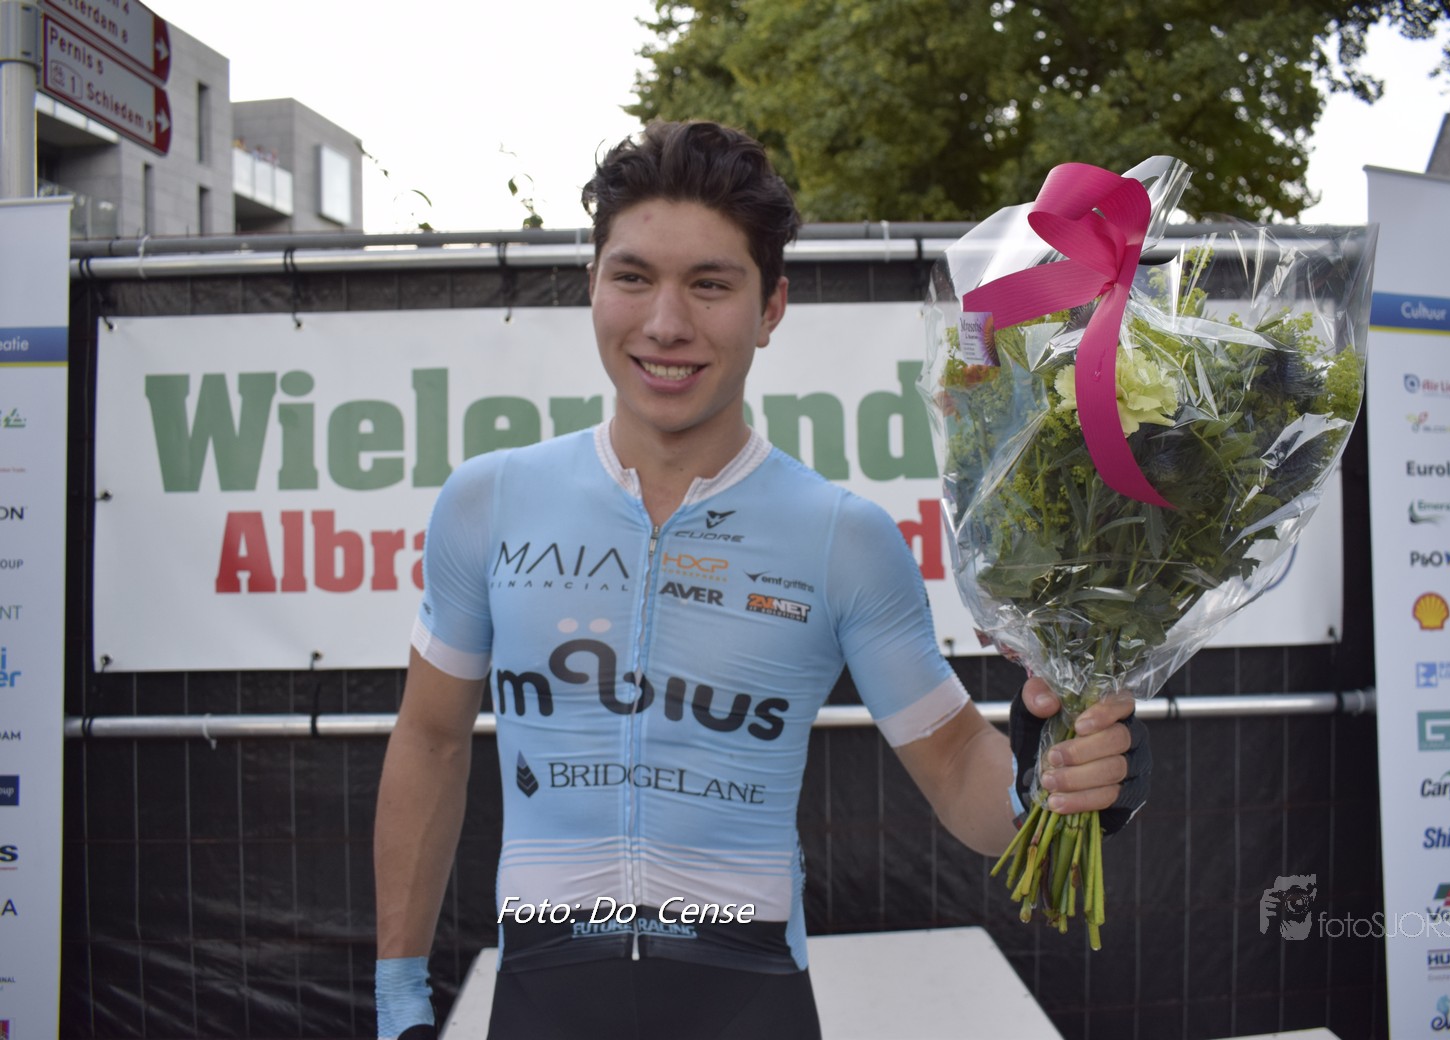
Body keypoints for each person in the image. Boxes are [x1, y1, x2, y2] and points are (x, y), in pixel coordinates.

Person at [373, 120, 1150, 1040]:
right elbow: (430, 741)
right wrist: (398, 997)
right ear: (592, 285)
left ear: (771, 307)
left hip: (747, 998)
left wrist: (1045, 777)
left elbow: (954, 769)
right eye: (633, 277)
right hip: (544, 994)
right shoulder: (490, 501)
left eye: (710, 284)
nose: (666, 323)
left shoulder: (842, 538)